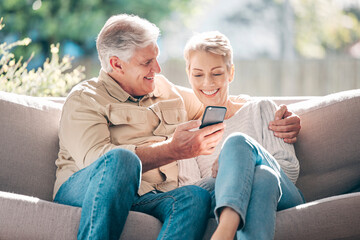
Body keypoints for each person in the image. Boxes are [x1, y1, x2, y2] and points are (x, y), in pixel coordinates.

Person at [53, 14, 301, 240]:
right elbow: (97, 164)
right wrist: (172, 150)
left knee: (194, 196)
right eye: (147, 62)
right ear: (117, 64)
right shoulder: (85, 98)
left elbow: (216, 98)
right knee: (122, 160)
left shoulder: (164, 90)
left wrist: (279, 116)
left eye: (157, 58)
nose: (157, 69)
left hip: (149, 196)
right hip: (86, 188)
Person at [179, 31, 305, 240]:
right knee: (264, 176)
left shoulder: (261, 109)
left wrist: (238, 160)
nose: (207, 83)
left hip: (283, 196)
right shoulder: (190, 134)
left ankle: (224, 232)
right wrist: (233, 173)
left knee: (237, 142)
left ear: (231, 73)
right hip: (227, 197)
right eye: (198, 74)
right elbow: (191, 195)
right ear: (189, 75)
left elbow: (290, 171)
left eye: (217, 73)